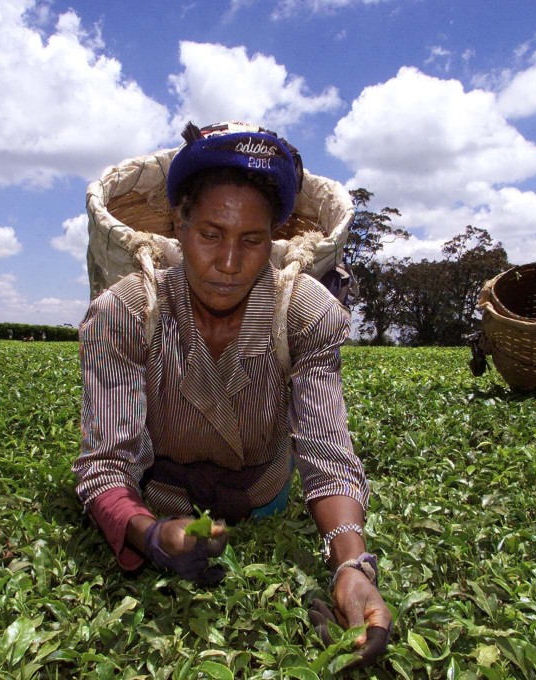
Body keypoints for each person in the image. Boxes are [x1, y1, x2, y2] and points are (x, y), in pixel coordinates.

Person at [73, 121, 391, 666]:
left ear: (274, 240)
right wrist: (151, 537)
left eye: (251, 240)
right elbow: (105, 463)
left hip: (263, 492)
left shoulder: (303, 310)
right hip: (164, 495)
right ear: (179, 225)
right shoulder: (127, 310)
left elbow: (326, 451)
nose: (228, 262)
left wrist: (351, 568)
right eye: (210, 234)